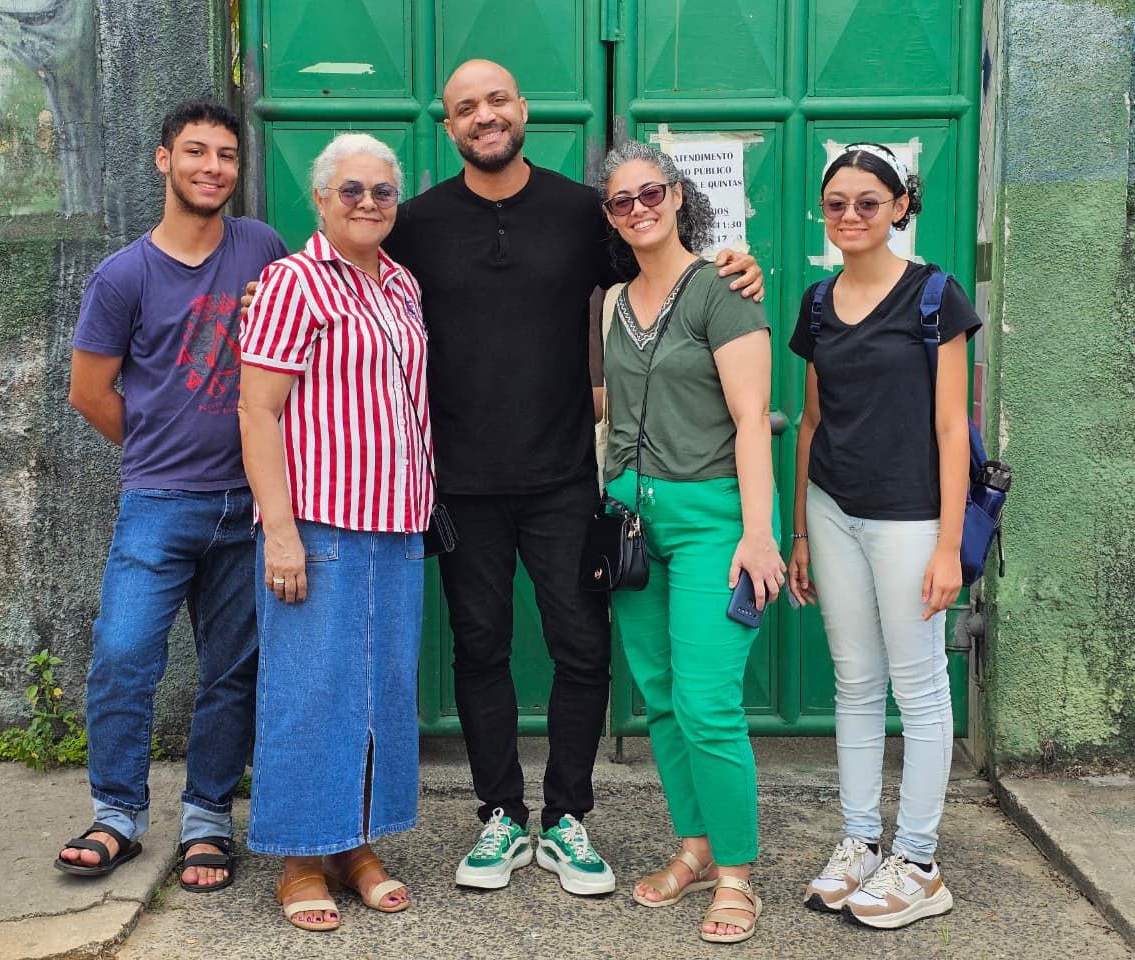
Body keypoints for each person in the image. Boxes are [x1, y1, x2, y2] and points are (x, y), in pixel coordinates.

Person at [378, 59, 765, 897]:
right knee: (480, 650)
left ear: (523, 109)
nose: (484, 116)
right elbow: (351, 276)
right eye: (465, 108)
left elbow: (662, 264)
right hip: (459, 483)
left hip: (567, 479)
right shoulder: (412, 224)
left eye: (497, 101)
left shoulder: (580, 213)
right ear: (448, 128)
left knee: (581, 650)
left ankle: (566, 819)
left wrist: (735, 266)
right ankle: (499, 818)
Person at [57, 100, 287, 891]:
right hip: (159, 502)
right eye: (196, 152)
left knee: (233, 669)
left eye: (226, 155)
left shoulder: (262, 247)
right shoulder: (124, 275)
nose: (212, 167)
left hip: (252, 501)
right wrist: (158, 446)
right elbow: (88, 394)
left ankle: (207, 818)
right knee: (123, 656)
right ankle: (117, 812)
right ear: (164, 161)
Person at [238, 132, 433, 932]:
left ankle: (357, 846)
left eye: (381, 192)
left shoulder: (400, 285)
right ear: (320, 199)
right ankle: (298, 861)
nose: (367, 204)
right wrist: (278, 531)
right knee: (310, 692)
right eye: (350, 190)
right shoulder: (292, 282)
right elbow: (258, 410)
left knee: (382, 691)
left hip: (399, 524)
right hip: (319, 524)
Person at [596, 140, 783, 944]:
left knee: (708, 703)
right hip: (634, 525)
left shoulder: (722, 289)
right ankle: (696, 848)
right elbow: (607, 415)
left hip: (715, 523)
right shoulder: (610, 303)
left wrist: (758, 533)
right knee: (663, 700)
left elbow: (751, 422)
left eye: (650, 194)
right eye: (620, 201)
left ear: (677, 196)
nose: (637, 209)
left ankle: (738, 875)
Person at [788, 142, 977, 929]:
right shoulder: (820, 300)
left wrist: (947, 546)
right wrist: (798, 529)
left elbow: (951, 428)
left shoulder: (934, 297)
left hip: (910, 518)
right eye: (837, 204)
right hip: (834, 509)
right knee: (856, 682)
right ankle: (862, 842)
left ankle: (920, 862)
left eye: (869, 201)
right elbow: (809, 420)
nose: (852, 216)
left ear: (900, 206)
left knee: (921, 689)